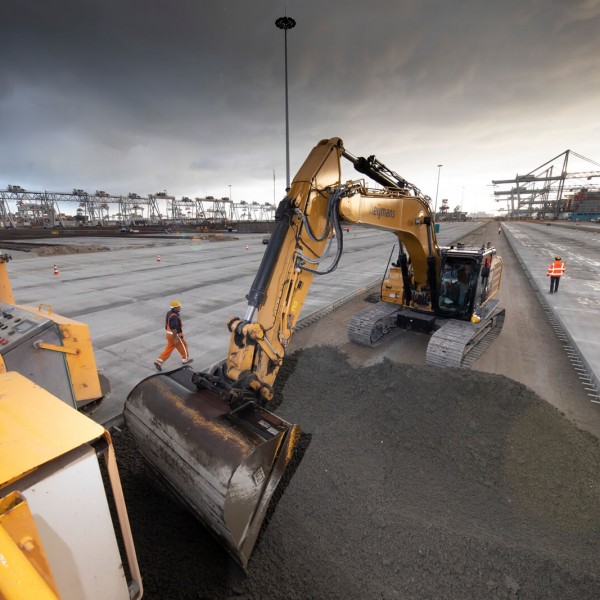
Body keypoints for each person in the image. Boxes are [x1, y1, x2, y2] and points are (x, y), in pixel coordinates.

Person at [154, 300, 193, 371]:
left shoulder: (169, 313)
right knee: (183, 345)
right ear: (175, 308)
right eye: (178, 307)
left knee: (169, 348)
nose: (180, 308)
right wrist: (175, 338)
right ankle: (185, 359)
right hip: (174, 335)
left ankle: (159, 361)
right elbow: (174, 328)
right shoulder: (174, 316)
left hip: (168, 334)